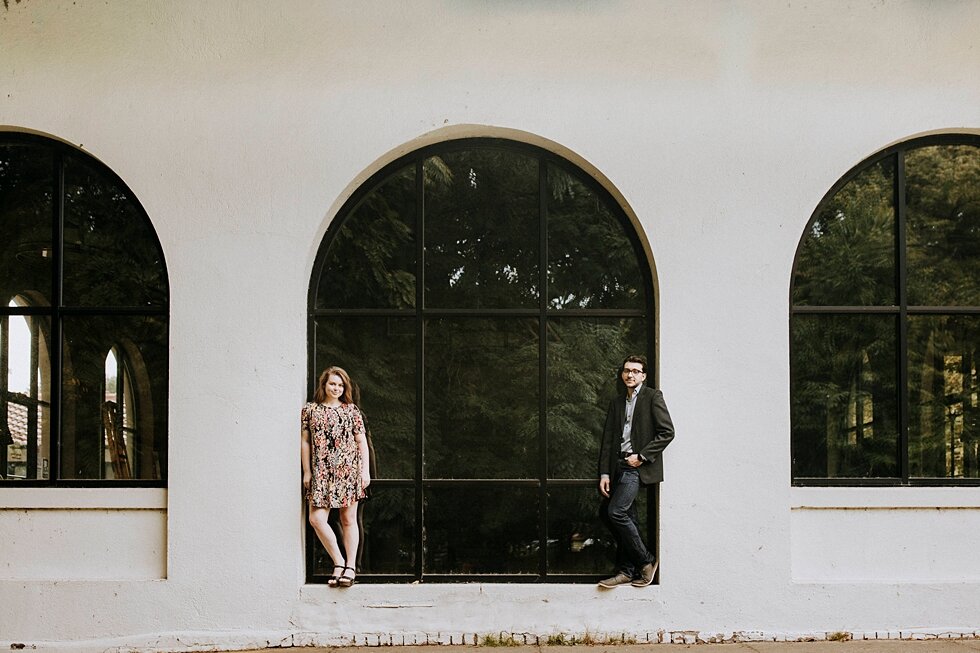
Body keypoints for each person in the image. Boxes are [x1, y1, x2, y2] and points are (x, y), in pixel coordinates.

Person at [597, 355, 674, 589]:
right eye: (626, 370)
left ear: (643, 375)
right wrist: (604, 474)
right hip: (617, 466)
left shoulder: (653, 397)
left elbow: (667, 432)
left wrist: (641, 457)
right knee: (616, 515)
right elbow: (608, 440)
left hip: (635, 466)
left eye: (635, 371)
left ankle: (646, 561)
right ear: (622, 374)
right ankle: (626, 570)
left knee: (616, 512)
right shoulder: (617, 402)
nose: (630, 374)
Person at [301, 366, 371, 587]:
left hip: (348, 471)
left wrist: (365, 472)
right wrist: (307, 471)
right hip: (321, 472)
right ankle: (339, 562)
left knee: (348, 519)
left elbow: (362, 442)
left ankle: (350, 567)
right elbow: (305, 441)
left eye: (341, 385)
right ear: (324, 385)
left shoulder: (351, 411)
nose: (336, 388)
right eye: (333, 384)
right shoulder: (310, 410)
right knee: (316, 519)